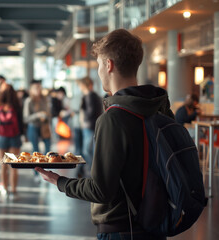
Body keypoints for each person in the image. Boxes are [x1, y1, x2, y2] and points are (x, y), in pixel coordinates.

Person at [36, 29, 172, 240]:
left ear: (109, 65)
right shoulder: (160, 108)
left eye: (99, 64)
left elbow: (101, 190)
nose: (99, 71)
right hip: (157, 221)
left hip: (121, 228)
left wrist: (59, 182)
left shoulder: (113, 118)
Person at [0, 84, 23, 197]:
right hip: (14, 137)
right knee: (14, 165)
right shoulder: (16, 105)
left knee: (3, 165)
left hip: (1, 136)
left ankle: (5, 189)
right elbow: (20, 122)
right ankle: (14, 190)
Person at [23, 80, 51, 182]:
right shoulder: (29, 101)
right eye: (35, 88)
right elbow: (26, 118)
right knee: (36, 150)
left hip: (44, 127)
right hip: (33, 127)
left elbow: (48, 113)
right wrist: (38, 115)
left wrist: (46, 117)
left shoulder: (44, 99)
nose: (38, 90)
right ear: (31, 89)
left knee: (48, 148)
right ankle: (36, 172)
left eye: (39, 88)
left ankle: (44, 170)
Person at [76, 77, 103, 178]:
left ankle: (91, 174)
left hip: (90, 126)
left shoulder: (90, 96)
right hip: (90, 126)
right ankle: (90, 173)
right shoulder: (90, 96)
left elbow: (90, 112)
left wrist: (84, 121)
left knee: (88, 151)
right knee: (88, 150)